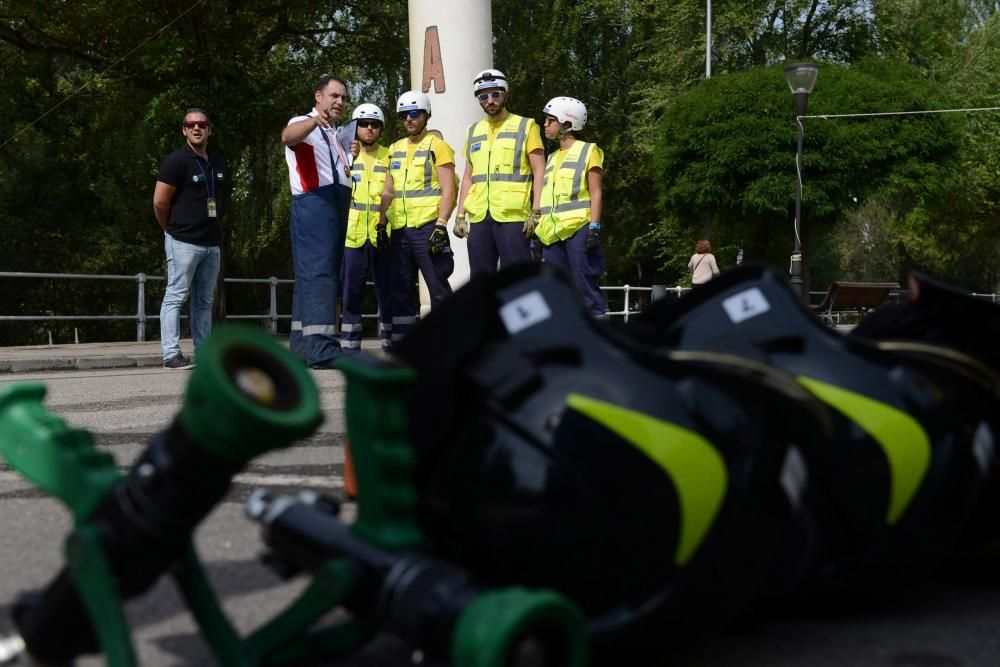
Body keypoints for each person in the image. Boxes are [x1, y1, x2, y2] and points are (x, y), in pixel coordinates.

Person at [281, 74, 355, 369]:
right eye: (334, 96)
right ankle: (323, 349)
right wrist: (314, 122)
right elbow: (287, 137)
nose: (340, 102)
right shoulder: (305, 123)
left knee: (314, 276)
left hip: (336, 202)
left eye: (344, 98)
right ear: (318, 97)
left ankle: (302, 347)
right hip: (314, 203)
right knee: (320, 274)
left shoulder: (336, 132)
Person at [379, 91, 457, 343]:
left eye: (414, 114)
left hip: (428, 229)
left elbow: (449, 190)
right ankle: (403, 347)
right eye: (404, 115)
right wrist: (381, 224)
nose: (409, 120)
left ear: (426, 115)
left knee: (437, 287)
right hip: (400, 231)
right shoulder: (395, 149)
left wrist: (441, 226)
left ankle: (446, 346)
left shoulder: (438, 147)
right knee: (401, 291)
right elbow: (388, 191)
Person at [153, 108, 225, 370]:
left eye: (202, 124)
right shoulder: (176, 161)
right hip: (183, 240)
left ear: (209, 129)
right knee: (176, 296)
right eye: (191, 125)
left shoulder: (217, 162)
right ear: (184, 130)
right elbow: (160, 203)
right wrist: (170, 229)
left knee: (205, 301)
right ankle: (171, 354)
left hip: (211, 243)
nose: (197, 128)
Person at [454, 69, 545, 276]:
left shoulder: (526, 126)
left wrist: (537, 210)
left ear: (506, 94)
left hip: (513, 216)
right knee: (480, 280)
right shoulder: (473, 130)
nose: (490, 100)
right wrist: (460, 215)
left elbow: (540, 170)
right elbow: (469, 177)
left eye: (496, 94)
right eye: (483, 96)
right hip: (479, 217)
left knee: (516, 279)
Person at [535, 97, 607, 317]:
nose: (545, 125)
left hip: (579, 229)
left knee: (585, 285)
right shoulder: (553, 157)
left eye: (550, 121)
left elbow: (596, 192)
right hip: (552, 234)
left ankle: (598, 339)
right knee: (555, 289)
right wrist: (537, 227)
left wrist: (594, 228)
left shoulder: (588, 151)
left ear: (567, 123)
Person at [341, 103, 394, 353]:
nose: (369, 128)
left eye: (374, 124)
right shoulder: (344, 155)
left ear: (381, 129)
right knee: (351, 291)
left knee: (386, 290)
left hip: (383, 234)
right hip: (353, 236)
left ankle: (389, 342)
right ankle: (350, 346)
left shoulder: (390, 155)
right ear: (355, 127)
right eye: (363, 124)